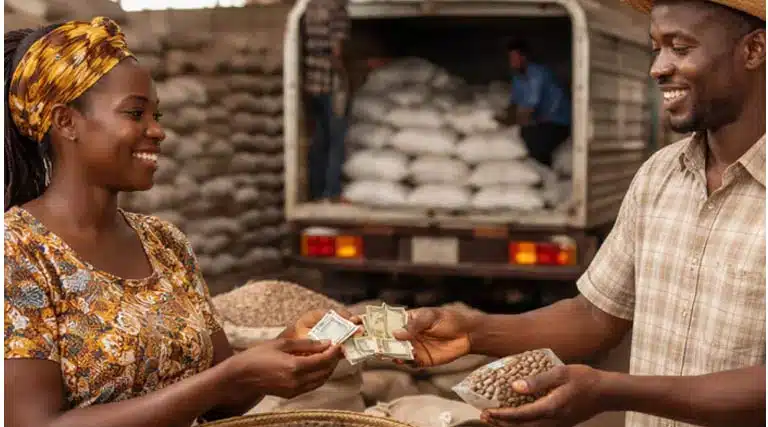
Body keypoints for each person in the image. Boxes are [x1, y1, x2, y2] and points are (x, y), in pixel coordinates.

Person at [393, 1, 766, 426]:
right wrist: (472, 331)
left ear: (753, 51)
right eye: (656, 49)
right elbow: (594, 317)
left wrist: (612, 391)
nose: (658, 69)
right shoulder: (659, 177)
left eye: (680, 48)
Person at [4, 18, 346, 427]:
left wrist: (285, 347)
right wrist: (227, 377)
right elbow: (33, 423)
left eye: (157, 114)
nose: (158, 131)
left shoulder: (164, 243)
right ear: (65, 122)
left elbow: (220, 401)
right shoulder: (18, 251)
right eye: (135, 113)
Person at [303, 0, 350, 203]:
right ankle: (332, 192)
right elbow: (336, 51)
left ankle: (316, 191)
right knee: (337, 140)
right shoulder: (337, 9)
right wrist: (344, 77)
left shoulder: (310, 7)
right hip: (330, 83)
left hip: (312, 83)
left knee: (320, 138)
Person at [498, 39, 571, 167]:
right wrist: (500, 121)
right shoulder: (518, 78)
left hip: (558, 123)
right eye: (510, 58)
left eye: (514, 58)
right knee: (525, 134)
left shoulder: (537, 74)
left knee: (532, 141)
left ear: (524, 57)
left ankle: (545, 174)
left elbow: (529, 108)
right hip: (540, 123)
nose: (511, 62)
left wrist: (512, 126)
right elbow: (514, 104)